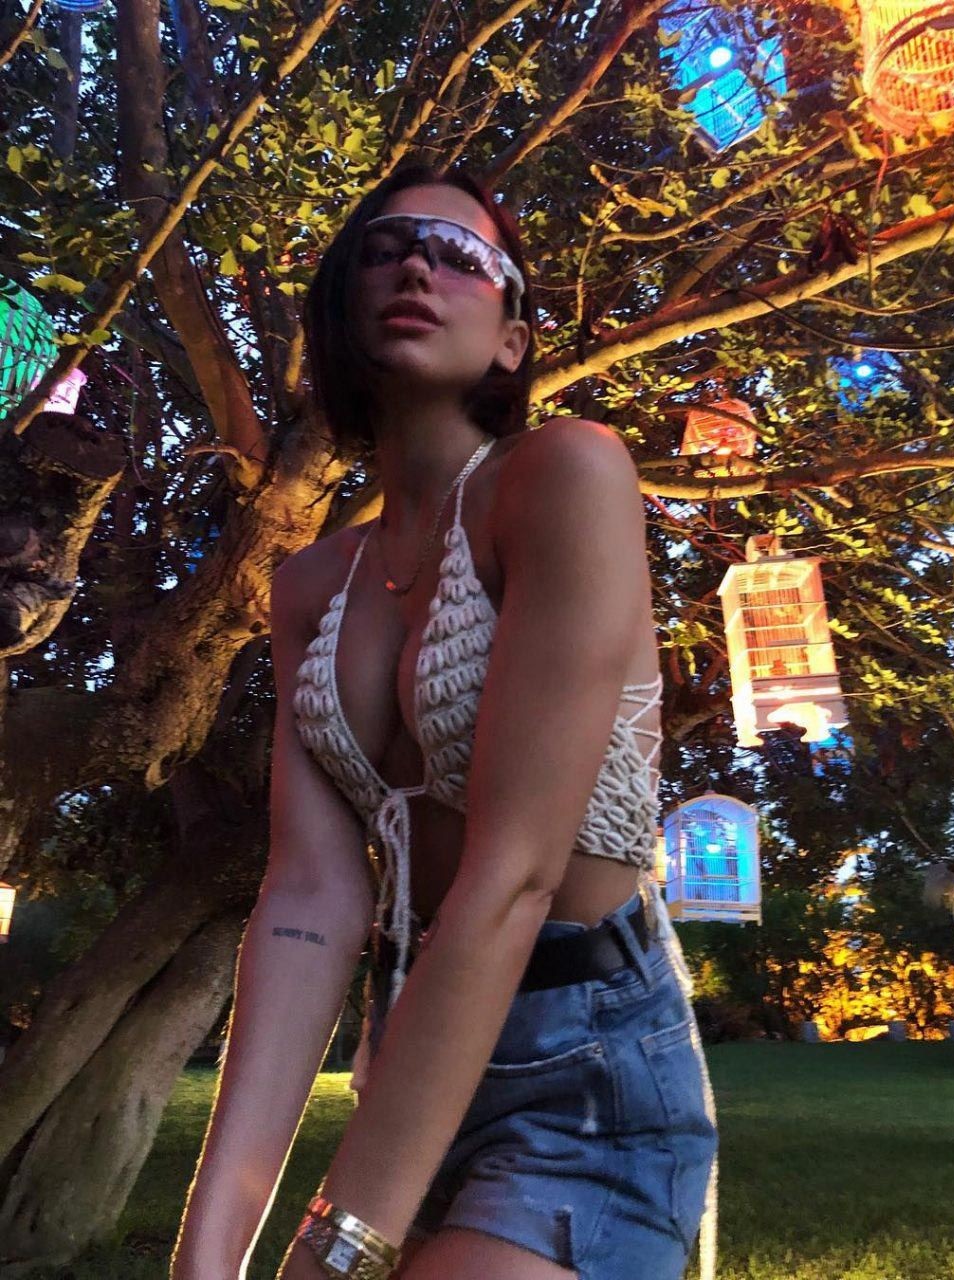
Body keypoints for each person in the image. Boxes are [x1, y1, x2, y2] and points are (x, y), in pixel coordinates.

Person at [170, 159, 717, 1280]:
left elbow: (516, 876)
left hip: (586, 1062)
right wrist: (208, 1249)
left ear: (512, 339)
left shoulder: (564, 473)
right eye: (387, 247)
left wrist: (333, 1247)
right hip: (410, 1057)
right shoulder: (311, 585)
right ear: (343, 306)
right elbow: (309, 900)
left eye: (463, 254)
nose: (419, 265)